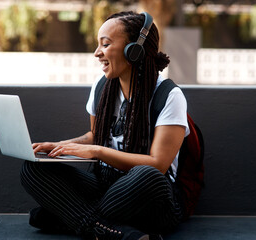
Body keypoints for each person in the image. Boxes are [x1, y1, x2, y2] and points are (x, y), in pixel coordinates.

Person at [20, 11, 189, 240]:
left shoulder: (169, 95)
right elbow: (95, 136)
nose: (97, 53)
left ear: (134, 50)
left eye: (106, 44)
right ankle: (111, 229)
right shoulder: (102, 88)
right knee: (32, 168)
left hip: (150, 196)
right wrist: (60, 146)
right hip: (107, 185)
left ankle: (72, 218)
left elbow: (158, 164)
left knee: (146, 175)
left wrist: (97, 151)